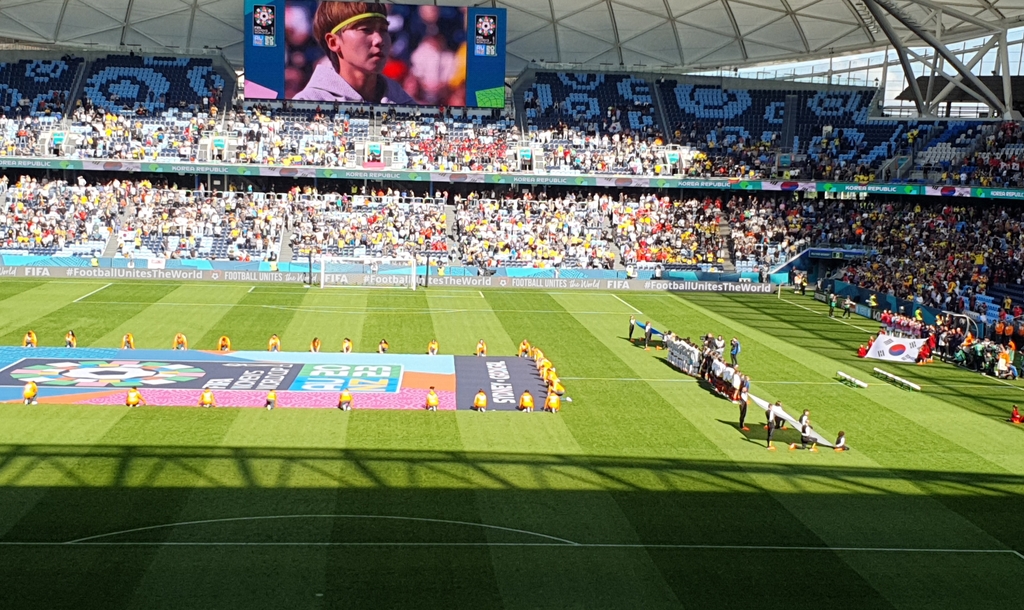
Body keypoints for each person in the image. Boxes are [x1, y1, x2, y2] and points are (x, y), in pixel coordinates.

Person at [293, 2, 416, 104]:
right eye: (365, 30)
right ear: (333, 42)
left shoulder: (407, 106)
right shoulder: (304, 107)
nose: (379, 39)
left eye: (383, 30)